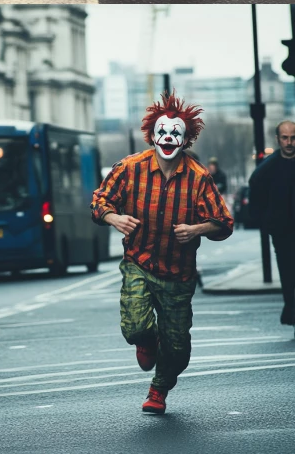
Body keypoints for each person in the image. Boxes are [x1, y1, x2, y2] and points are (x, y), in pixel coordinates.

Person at [91, 91, 233, 415]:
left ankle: (159, 389)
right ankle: (145, 339)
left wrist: (196, 229)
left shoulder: (198, 178)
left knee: (178, 348)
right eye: (163, 132)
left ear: (185, 140)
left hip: (179, 273)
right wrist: (114, 217)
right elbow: (99, 201)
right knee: (135, 326)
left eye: (175, 134)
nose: (168, 138)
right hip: (138, 262)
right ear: (152, 134)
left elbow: (224, 222)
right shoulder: (129, 168)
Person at [248, 120, 295, 333]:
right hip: (282, 232)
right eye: (285, 138)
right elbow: (256, 193)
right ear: (278, 139)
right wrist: (266, 223)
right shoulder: (266, 169)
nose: (289, 142)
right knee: (288, 274)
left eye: (293, 138)